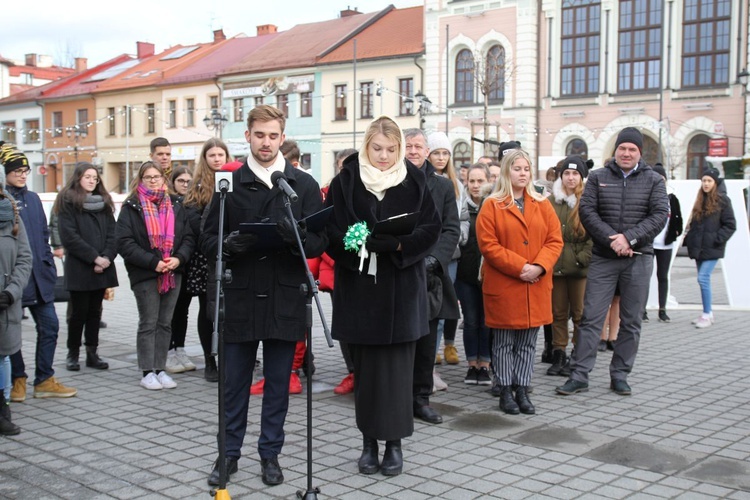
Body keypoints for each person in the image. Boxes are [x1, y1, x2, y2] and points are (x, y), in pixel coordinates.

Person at [200, 105, 327, 487]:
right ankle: (228, 455)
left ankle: (270, 455)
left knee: (277, 383)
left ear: (283, 136)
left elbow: (321, 239)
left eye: (273, 136)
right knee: (233, 383)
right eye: (260, 135)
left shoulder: (301, 185)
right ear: (248, 135)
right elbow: (206, 239)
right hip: (239, 294)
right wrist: (229, 243)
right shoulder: (229, 184)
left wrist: (298, 237)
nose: (266, 143)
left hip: (285, 295)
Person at [325, 115, 440, 476]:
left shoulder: (415, 178)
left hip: (401, 291)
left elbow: (431, 227)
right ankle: (367, 443)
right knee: (368, 373)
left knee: (397, 374)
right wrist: (358, 245)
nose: (384, 156)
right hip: (360, 291)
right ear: (366, 145)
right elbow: (333, 229)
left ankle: (394, 444)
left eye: (391, 149)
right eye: (377, 149)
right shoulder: (346, 181)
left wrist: (398, 243)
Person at [556, 127, 668, 397]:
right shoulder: (597, 178)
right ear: (615, 151)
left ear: (640, 153)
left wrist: (628, 239)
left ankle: (620, 374)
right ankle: (579, 375)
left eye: (632, 149)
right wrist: (613, 240)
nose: (626, 153)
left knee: (631, 322)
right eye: (622, 148)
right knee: (591, 318)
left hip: (638, 259)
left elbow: (660, 214)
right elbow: (587, 211)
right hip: (604, 259)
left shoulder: (653, 180)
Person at [476, 149, 563, 414]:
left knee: (527, 342)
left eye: (526, 169)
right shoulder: (492, 205)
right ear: (506, 172)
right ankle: (504, 389)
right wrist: (520, 267)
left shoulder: (542, 203)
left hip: (535, 283)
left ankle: (522, 389)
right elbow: (488, 245)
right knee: (503, 342)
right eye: (517, 169)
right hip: (505, 285)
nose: (523, 173)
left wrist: (538, 266)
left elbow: (554, 240)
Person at [1, 143, 77, 401]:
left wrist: (46, 263)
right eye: (17, 170)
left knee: (50, 326)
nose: (23, 174)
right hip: (14, 280)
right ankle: (17, 379)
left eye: (25, 170)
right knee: (12, 334)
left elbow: (43, 235)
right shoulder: (4, 200)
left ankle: (44, 378)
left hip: (40, 277)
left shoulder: (33, 198)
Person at [116, 161, 195, 391]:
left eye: (157, 176)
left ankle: (161, 369)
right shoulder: (131, 206)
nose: (153, 180)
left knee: (165, 323)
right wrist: (154, 262)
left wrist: (178, 258)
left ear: (164, 179)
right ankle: (147, 371)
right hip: (146, 273)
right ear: (140, 180)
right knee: (149, 322)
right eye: (148, 177)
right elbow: (124, 243)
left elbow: (188, 237)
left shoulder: (176, 204)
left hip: (173, 271)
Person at [404, 128, 460, 424]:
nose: (413, 151)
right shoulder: (391, 181)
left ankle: (420, 398)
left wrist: (434, 259)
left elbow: (451, 229)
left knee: (426, 342)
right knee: (401, 340)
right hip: (399, 272)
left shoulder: (442, 187)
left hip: (430, 276)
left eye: (418, 146)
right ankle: (398, 398)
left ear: (428, 152)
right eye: (408, 146)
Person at [54, 163, 118, 371]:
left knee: (95, 313)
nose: (92, 180)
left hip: (103, 266)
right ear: (78, 178)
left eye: (95, 177)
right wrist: (94, 258)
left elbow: (113, 234)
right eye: (87, 177)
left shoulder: (104, 204)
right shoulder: (68, 202)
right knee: (78, 313)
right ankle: (73, 353)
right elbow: (69, 237)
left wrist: (106, 257)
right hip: (81, 267)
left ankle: (92, 352)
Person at [180, 139, 231, 382]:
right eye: (212, 155)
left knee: (230, 308)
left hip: (230, 252)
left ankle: (231, 356)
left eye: (221, 154)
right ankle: (210, 360)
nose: (217, 158)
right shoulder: (197, 186)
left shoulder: (234, 180)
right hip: (205, 255)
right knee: (206, 309)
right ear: (205, 158)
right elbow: (192, 217)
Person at [546, 156, 592, 377]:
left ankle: (578, 355)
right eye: (567, 173)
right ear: (561, 176)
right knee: (557, 313)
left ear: (581, 177)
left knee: (580, 313)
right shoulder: (551, 201)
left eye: (575, 174)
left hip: (578, 268)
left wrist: (582, 257)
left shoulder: (588, 200)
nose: (571, 178)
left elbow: (594, 234)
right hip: (555, 266)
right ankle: (559, 354)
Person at [427, 132, 465, 368]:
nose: (441, 158)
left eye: (445, 153)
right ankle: (428, 360)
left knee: (441, 308)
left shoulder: (455, 184)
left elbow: (460, 220)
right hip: (426, 252)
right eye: (436, 153)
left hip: (449, 254)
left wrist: (458, 236)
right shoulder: (423, 180)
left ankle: (434, 355)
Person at [684, 167, 736, 328]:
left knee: (703, 278)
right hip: (699, 247)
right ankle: (708, 313)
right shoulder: (699, 200)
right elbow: (694, 224)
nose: (706, 184)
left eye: (709, 181)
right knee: (703, 280)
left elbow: (730, 225)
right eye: (704, 180)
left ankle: (707, 315)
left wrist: (717, 239)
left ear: (715, 183)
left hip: (712, 247)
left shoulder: (723, 200)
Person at [456, 163, 493, 385]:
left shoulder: (494, 205)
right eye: (472, 181)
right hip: (466, 274)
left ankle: (485, 365)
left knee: (487, 321)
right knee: (470, 320)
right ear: (466, 182)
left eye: (481, 181)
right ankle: (472, 365)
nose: (476, 185)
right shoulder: (462, 207)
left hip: (490, 275)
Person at [0, 181, 32, 435]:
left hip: (5, 303)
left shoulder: (12, 217)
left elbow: (24, 258)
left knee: (3, 357)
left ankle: (3, 409)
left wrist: (11, 292)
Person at [166, 165, 200, 375]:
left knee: (183, 310)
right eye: (181, 181)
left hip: (189, 262)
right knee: (172, 309)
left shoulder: (193, 203)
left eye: (188, 181)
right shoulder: (168, 203)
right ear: (173, 182)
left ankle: (180, 347)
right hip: (172, 262)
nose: (185, 185)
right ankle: (169, 349)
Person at [329, 148, 358, 395]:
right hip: (336, 267)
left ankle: (361, 370)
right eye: (340, 167)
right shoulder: (333, 190)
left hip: (362, 264)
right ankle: (351, 370)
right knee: (345, 321)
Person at [648, 163, 683, 322]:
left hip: (666, 244)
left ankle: (662, 309)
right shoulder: (647, 196)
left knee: (663, 276)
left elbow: (679, 220)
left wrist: (676, 232)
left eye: (662, 179)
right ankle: (642, 310)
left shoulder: (672, 198)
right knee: (645, 276)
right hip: (649, 243)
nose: (660, 182)